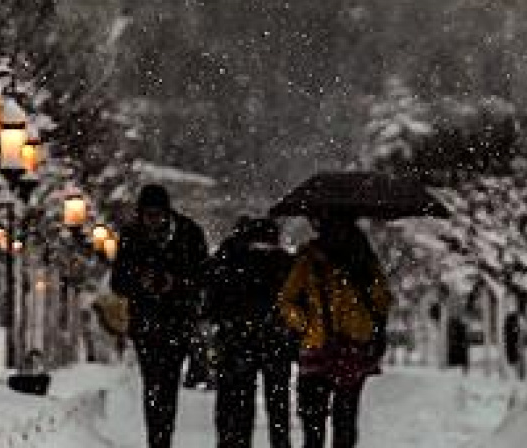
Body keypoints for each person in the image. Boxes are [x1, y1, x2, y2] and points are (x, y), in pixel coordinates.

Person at [110, 183, 209, 448]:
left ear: (167, 212)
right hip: (146, 323)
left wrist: (175, 283)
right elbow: (117, 282)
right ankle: (157, 439)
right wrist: (139, 281)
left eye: (157, 215)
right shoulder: (131, 236)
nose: (153, 220)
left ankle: (163, 437)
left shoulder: (189, 233)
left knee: (168, 383)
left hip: (177, 322)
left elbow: (204, 278)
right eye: (148, 215)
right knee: (153, 383)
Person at [278, 214, 390, 448]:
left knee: (318, 422)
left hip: (322, 348)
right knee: (341, 420)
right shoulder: (362, 260)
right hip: (348, 348)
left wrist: (306, 325)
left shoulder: (312, 259)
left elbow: (287, 301)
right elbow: (382, 301)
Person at [204, 216, 296, 448]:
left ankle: (234, 441)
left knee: (238, 405)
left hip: (238, 339)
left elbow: (211, 301)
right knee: (276, 404)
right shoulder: (283, 263)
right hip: (271, 338)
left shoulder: (229, 259)